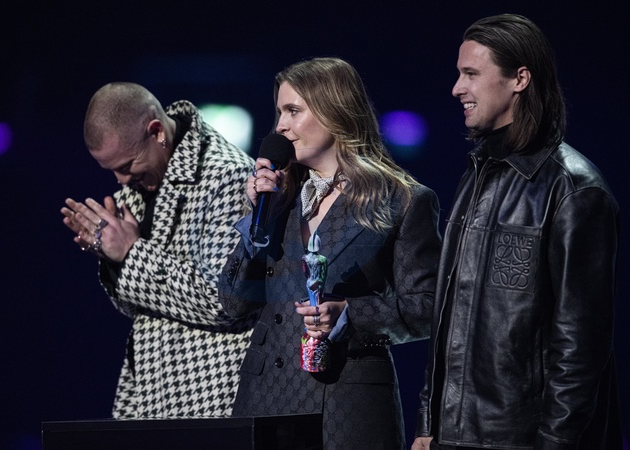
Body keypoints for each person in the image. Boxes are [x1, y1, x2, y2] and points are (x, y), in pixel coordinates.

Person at [412, 14, 622, 450]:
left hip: (522, 440)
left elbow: (581, 344)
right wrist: (428, 425)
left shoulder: (575, 188)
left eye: (471, 73)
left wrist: (554, 442)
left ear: (520, 79)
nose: (457, 88)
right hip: (454, 437)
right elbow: (449, 319)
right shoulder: (477, 173)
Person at [218, 57, 441, 449]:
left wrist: (350, 314)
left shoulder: (402, 200)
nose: (280, 126)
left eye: (293, 111)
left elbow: (427, 308)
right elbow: (234, 304)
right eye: (279, 113)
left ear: (334, 111)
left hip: (346, 404)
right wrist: (258, 220)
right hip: (266, 401)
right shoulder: (279, 200)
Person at [60, 82, 257, 419]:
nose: (121, 180)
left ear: (156, 132)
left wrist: (130, 253)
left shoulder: (228, 175)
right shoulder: (139, 182)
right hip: (149, 394)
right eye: (112, 171)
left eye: (126, 165)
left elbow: (223, 300)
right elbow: (136, 306)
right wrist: (112, 258)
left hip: (207, 396)